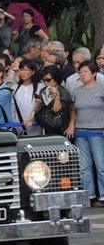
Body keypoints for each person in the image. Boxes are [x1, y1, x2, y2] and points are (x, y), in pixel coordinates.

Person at [65, 60, 104, 207]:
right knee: (84, 166)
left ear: (94, 73)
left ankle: (103, 195)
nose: (82, 74)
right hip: (81, 131)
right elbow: (74, 109)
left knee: (101, 165)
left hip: (98, 131)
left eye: (85, 71)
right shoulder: (77, 91)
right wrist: (71, 124)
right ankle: (89, 195)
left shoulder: (102, 89)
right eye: (80, 72)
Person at [34, 66, 72, 136]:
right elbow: (41, 109)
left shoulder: (63, 92)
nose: (46, 82)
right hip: (46, 126)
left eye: (48, 80)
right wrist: (38, 105)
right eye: (43, 80)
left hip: (60, 128)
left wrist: (57, 95)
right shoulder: (43, 90)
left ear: (56, 78)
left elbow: (57, 111)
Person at [12, 59, 42, 135]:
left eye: (26, 70)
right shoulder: (14, 88)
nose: (23, 72)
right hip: (17, 128)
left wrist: (33, 119)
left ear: (33, 72)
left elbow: (42, 107)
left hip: (35, 128)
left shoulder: (40, 87)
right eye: (21, 70)